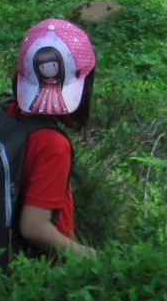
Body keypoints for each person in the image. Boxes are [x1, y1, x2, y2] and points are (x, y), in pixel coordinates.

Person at [6, 19, 98, 260]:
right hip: (41, 272)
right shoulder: (52, 144)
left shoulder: (6, 113)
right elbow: (34, 228)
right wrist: (94, 259)